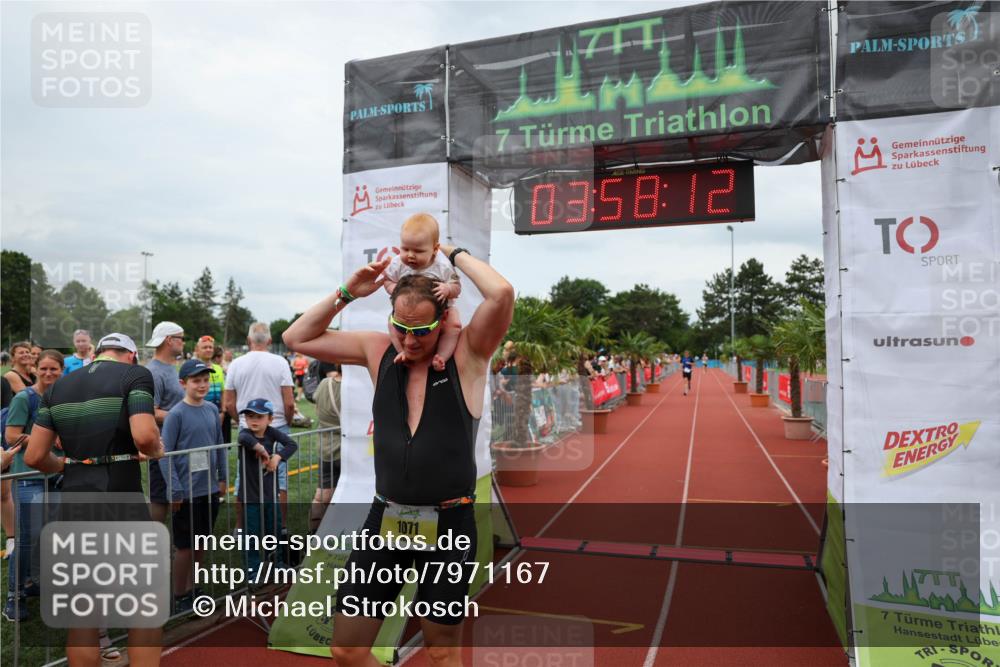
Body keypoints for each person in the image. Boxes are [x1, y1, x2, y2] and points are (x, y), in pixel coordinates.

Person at [283, 237, 513, 667]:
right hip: (387, 517)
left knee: (442, 651)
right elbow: (296, 337)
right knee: (347, 649)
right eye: (401, 327)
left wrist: (449, 251)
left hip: (449, 523)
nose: (409, 340)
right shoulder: (377, 350)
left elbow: (500, 293)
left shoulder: (468, 354)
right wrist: (347, 291)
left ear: (444, 321)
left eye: (422, 330)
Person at [24, 333, 164, 667]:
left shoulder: (59, 386)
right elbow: (144, 435)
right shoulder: (135, 375)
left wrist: (64, 466)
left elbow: (33, 456)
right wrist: (155, 450)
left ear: (97, 353)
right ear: (130, 355)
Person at [159, 358, 228, 612]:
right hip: (185, 493)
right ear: (183, 383)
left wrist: (222, 477)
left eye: (205, 380)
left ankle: (194, 588)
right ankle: (179, 595)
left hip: (208, 489)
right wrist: (175, 490)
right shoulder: (176, 414)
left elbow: (220, 445)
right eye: (196, 380)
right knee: (185, 546)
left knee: (202, 543)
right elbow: (165, 457)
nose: (202, 385)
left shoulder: (211, 409)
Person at [2, 349, 63, 622]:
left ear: (62, 371)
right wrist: (42, 441)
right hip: (28, 475)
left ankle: (32, 582)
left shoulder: (64, 398)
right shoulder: (24, 398)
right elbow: (11, 434)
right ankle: (14, 597)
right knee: (29, 537)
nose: (49, 374)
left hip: (58, 475)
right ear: (36, 369)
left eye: (55, 369)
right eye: (44, 369)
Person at [223, 322, 295, 527]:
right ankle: (279, 527)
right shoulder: (280, 362)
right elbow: (289, 402)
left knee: (243, 479)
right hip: (277, 425)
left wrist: (242, 422)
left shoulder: (236, 364)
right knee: (279, 479)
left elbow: (228, 402)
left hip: (248, 427)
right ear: (270, 341)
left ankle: (240, 527)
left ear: (248, 341)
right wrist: (286, 422)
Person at [382, 213, 462, 371]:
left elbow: (457, 287)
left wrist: (447, 289)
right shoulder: (398, 262)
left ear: (435, 249)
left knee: (454, 325)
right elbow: (387, 280)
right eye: (405, 249)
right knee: (392, 323)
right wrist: (394, 289)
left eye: (418, 251)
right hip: (408, 311)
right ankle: (402, 352)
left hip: (442, 309)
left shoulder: (443, 265)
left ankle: (442, 356)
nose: (410, 255)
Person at [237, 399, 298, 578]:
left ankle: (276, 563)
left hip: (270, 494)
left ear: (270, 419)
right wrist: (262, 450)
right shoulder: (246, 433)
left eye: (259, 417)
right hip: (250, 496)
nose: (254, 420)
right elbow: (243, 438)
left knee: (274, 530)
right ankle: (253, 570)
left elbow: (292, 444)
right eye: (249, 416)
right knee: (252, 535)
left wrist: (277, 457)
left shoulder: (272, 433)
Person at [146, 321, 187, 522]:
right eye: (182, 338)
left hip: (176, 443)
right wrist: (183, 416)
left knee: (176, 495)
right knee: (161, 498)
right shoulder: (154, 372)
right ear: (169, 340)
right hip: (162, 445)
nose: (184, 343)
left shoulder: (171, 367)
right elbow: (149, 412)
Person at [310, 362, 341, 532]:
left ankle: (313, 534)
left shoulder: (324, 383)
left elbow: (317, 408)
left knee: (322, 495)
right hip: (349, 449)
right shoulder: (353, 388)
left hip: (325, 447)